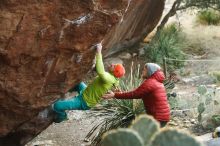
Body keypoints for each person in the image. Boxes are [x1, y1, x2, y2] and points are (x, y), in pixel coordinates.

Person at [52, 43, 125, 123]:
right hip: (85, 92)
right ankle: (63, 93)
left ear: (115, 72)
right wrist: (115, 94)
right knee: (78, 83)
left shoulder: (109, 79)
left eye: (114, 67)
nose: (112, 64)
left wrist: (98, 52)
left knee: (57, 106)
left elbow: (100, 72)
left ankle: (62, 117)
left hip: (84, 102)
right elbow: (119, 90)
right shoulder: (115, 79)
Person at [103, 63, 170, 127]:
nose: (142, 71)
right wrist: (119, 93)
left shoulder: (150, 82)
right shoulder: (157, 82)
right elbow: (138, 92)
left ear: (150, 71)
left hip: (158, 118)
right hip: (162, 117)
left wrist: (115, 95)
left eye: (144, 70)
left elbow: (135, 94)